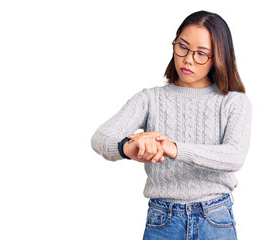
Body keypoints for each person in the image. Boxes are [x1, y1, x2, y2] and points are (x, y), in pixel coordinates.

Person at [91, 10, 252, 240]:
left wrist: (173, 148)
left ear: (217, 57)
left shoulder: (234, 102)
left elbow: (234, 156)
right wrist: (128, 149)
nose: (188, 59)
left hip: (214, 220)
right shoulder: (150, 99)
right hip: (163, 219)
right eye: (183, 47)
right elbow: (100, 138)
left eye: (201, 54)